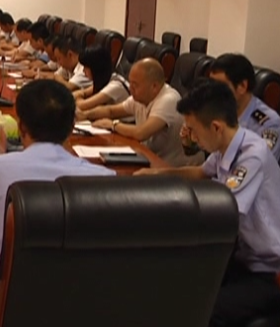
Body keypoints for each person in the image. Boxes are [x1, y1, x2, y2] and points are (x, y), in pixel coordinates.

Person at [0, 80, 115, 324]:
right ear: (71, 127)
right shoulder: (106, 181)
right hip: (84, 312)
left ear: (20, 126)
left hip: (12, 315)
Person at [135, 79, 280, 327]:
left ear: (215, 127)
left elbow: (224, 213)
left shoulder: (252, 155)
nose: (191, 137)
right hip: (242, 257)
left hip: (269, 270)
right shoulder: (229, 144)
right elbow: (200, 172)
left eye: (193, 130)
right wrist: (157, 174)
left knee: (204, 311)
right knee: (172, 286)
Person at [78, 58, 203, 167]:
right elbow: (110, 111)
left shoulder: (168, 100)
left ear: (154, 86)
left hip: (173, 168)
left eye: (135, 85)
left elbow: (141, 133)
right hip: (148, 157)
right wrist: (85, 115)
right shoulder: (140, 97)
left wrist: (113, 125)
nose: (130, 88)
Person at [204, 53, 280, 161]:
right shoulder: (218, 111)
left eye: (220, 86)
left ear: (242, 86)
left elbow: (257, 166)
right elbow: (208, 162)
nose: (213, 92)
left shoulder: (268, 124)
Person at [73, 46, 130, 110]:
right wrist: (80, 96)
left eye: (86, 67)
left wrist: (78, 97)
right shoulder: (103, 79)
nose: (83, 71)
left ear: (96, 68)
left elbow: (82, 105)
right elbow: (82, 93)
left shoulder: (115, 85)